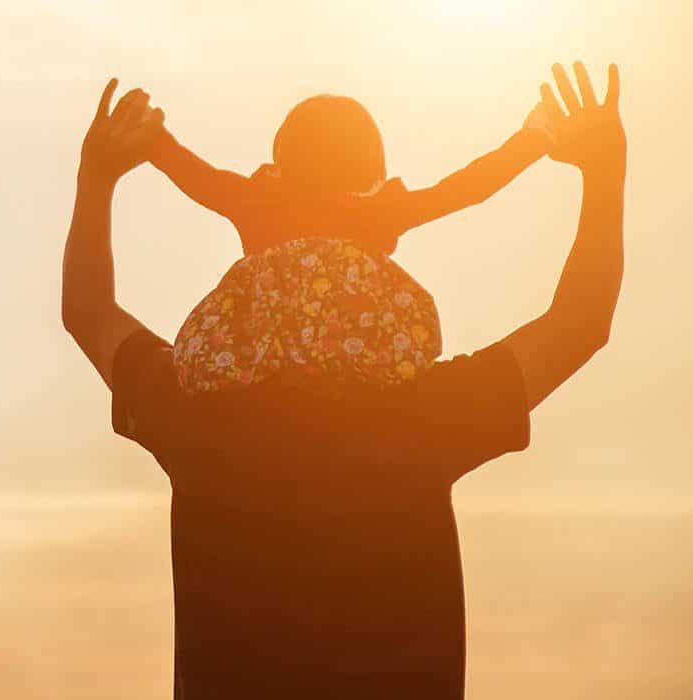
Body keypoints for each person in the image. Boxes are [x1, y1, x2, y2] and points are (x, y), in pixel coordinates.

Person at [61, 61, 626, 699]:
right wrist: (604, 171)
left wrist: (98, 177)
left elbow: (87, 313)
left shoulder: (193, 406)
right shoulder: (426, 415)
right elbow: (580, 324)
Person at [149, 94, 552, 394]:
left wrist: (152, 139)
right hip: (360, 356)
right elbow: (463, 189)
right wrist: (533, 139)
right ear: (373, 171)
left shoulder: (259, 201)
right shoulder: (377, 209)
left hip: (262, 352)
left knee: (216, 357)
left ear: (283, 160)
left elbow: (199, 178)